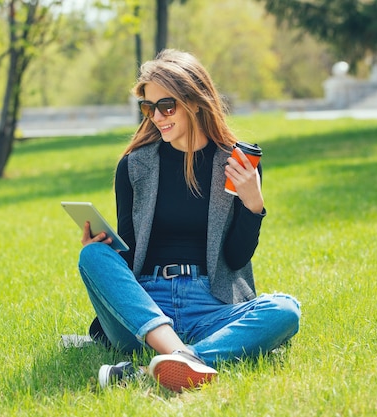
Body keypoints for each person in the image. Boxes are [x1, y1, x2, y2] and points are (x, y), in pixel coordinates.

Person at [77, 49, 300, 393]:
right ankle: (181, 356)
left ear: (195, 101)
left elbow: (236, 259)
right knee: (92, 256)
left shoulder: (236, 164)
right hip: (147, 307)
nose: (157, 117)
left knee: (286, 310)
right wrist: (104, 251)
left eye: (167, 107)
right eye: (149, 108)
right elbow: (132, 252)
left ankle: (157, 369)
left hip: (211, 305)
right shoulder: (134, 167)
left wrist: (253, 204)